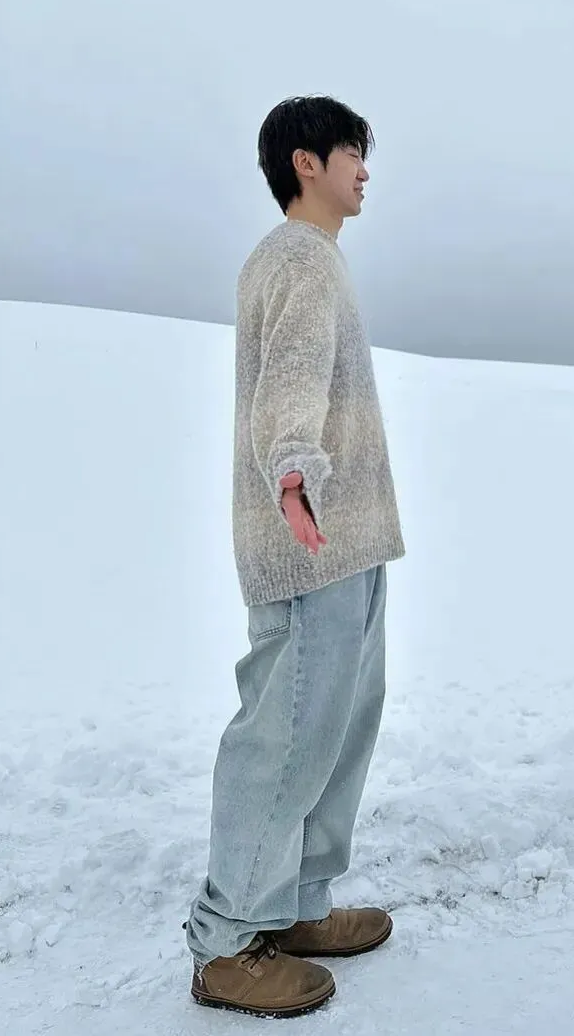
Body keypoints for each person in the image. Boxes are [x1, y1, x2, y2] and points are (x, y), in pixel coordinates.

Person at [184, 95, 406, 1017]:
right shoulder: (299, 258)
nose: (365, 168)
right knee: (285, 738)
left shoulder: (313, 258)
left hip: (348, 540)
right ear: (305, 163)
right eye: (352, 150)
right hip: (310, 544)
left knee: (337, 729)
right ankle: (230, 940)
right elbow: (290, 383)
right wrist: (292, 469)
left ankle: (299, 904)